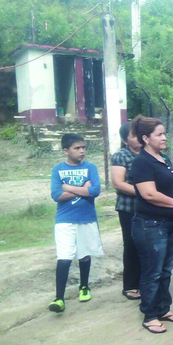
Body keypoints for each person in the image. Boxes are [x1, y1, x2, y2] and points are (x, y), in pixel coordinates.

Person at [130, 116, 173, 334]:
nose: (165, 137)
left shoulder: (162, 158)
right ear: (146, 138)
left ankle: (163, 309)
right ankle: (150, 314)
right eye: (159, 134)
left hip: (168, 222)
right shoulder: (142, 162)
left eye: (164, 133)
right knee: (152, 272)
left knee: (165, 270)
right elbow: (149, 194)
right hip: (150, 225)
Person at [48, 134, 103, 313]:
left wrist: (69, 188)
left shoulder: (90, 167)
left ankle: (84, 286)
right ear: (66, 151)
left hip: (86, 218)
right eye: (77, 148)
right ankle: (59, 298)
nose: (82, 151)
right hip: (64, 220)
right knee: (64, 257)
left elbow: (95, 190)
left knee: (84, 254)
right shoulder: (58, 170)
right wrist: (83, 189)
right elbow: (57, 195)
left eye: (83, 148)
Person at [111, 123, 142, 300]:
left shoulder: (149, 153)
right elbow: (118, 183)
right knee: (131, 245)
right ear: (125, 140)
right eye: (133, 135)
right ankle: (130, 285)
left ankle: (144, 282)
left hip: (149, 207)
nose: (138, 137)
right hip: (129, 208)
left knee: (146, 246)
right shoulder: (121, 155)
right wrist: (144, 192)